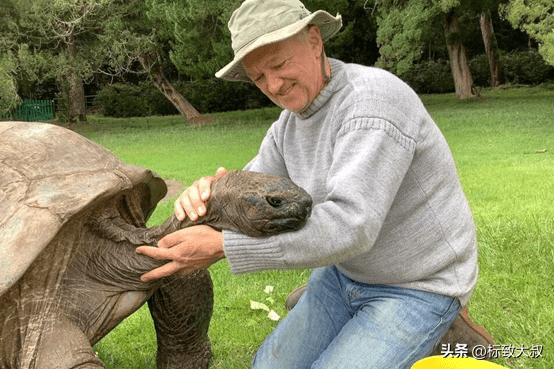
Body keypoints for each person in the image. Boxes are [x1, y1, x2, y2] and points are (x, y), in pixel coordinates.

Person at [136, 0, 488, 367]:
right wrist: (206, 193)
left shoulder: (372, 104)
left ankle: (443, 328)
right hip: (343, 273)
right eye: (258, 77)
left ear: (315, 39)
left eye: (278, 64)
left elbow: (353, 227)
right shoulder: (288, 127)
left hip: (419, 284)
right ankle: (351, 319)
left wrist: (225, 246)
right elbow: (248, 192)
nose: (272, 84)